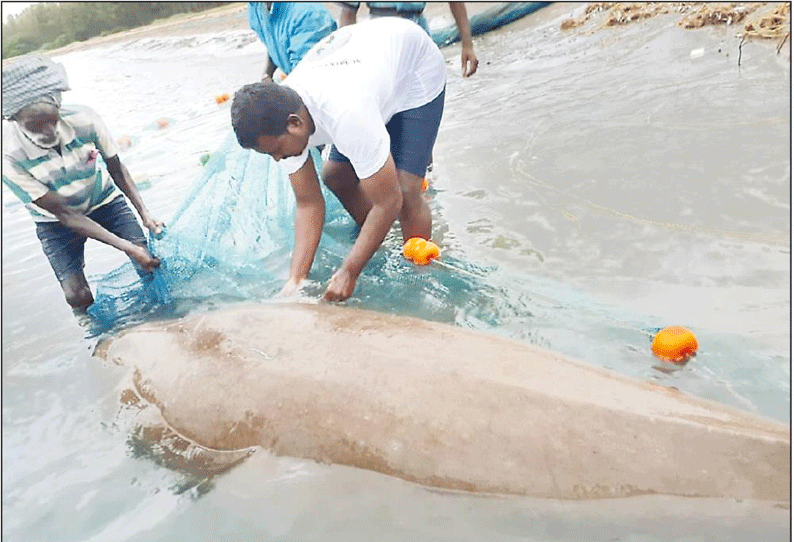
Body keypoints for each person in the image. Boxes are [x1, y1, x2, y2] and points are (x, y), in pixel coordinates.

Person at [231, 17, 445, 302]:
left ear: (295, 123)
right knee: (334, 174)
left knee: (405, 190)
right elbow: (308, 202)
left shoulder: (345, 114)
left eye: (276, 151)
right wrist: (296, 281)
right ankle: (377, 241)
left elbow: (388, 200)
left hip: (414, 71)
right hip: (365, 69)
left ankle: (421, 280)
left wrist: (349, 270)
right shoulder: (281, 123)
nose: (278, 159)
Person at [2, 56, 163, 311]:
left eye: (52, 121)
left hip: (105, 200)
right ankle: (94, 337)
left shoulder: (84, 119)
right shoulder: (8, 153)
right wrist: (127, 247)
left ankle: (165, 315)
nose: (49, 133)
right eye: (35, 126)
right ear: (14, 120)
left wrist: (144, 213)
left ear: (58, 106)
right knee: (76, 295)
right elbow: (65, 214)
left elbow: (116, 167)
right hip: (55, 222)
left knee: (149, 263)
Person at [337, 2, 479, 77]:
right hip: (382, 36)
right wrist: (349, 59)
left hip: (420, 33)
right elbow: (348, 14)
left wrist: (467, 45)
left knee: (427, 94)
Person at [248, 2, 337, 82]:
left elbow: (308, 79)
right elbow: (273, 42)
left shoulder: (306, 13)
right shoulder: (255, 6)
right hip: (296, 81)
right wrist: (267, 75)